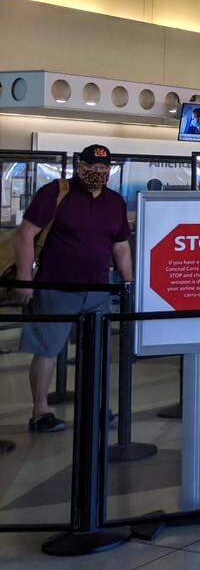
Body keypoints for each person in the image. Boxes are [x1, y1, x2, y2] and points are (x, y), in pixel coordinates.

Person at [14, 144, 132, 432]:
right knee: (47, 350)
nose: (97, 173)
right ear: (79, 166)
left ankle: (97, 406)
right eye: (92, 168)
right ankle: (40, 411)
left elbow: (121, 248)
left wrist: (129, 286)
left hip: (98, 291)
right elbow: (25, 235)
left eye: (103, 169)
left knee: (96, 353)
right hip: (56, 286)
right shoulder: (56, 192)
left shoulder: (114, 202)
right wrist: (24, 279)